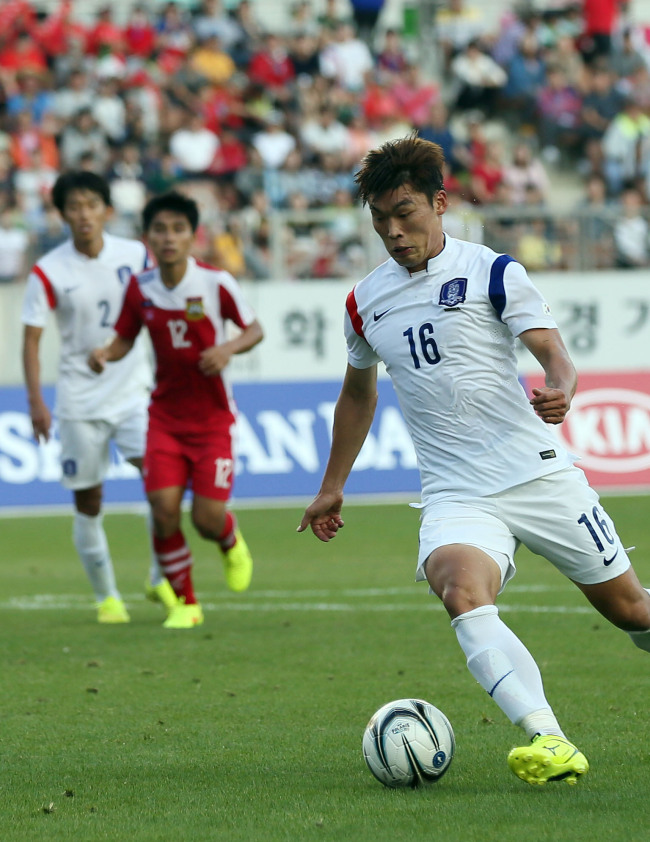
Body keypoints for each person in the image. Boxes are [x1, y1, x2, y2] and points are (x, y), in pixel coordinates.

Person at [297, 136, 650, 786]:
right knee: (459, 589)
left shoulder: (492, 271)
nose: (394, 231)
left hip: (538, 474)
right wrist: (332, 485)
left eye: (406, 213)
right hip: (456, 491)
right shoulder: (363, 302)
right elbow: (357, 393)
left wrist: (562, 386)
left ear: (440, 202)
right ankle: (548, 739)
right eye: (380, 219)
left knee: (632, 611)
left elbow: (554, 351)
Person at [88, 191, 263, 630]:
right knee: (162, 509)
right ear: (147, 237)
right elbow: (126, 336)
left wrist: (226, 348)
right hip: (164, 419)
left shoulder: (215, 283)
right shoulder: (140, 288)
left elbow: (254, 329)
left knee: (205, 519)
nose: (169, 238)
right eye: (160, 230)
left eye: (178, 230)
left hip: (213, 421)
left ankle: (228, 538)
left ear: (192, 236)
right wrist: (106, 353)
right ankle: (185, 602)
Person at [21, 171, 178, 624]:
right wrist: (36, 402)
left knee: (162, 488)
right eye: (74, 206)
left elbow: (162, 306)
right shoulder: (48, 270)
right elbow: (30, 340)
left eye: (91, 204)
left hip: (134, 394)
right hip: (79, 402)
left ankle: (158, 579)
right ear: (62, 214)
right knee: (89, 502)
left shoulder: (136, 254)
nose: (83, 214)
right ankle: (107, 598)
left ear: (107, 210)